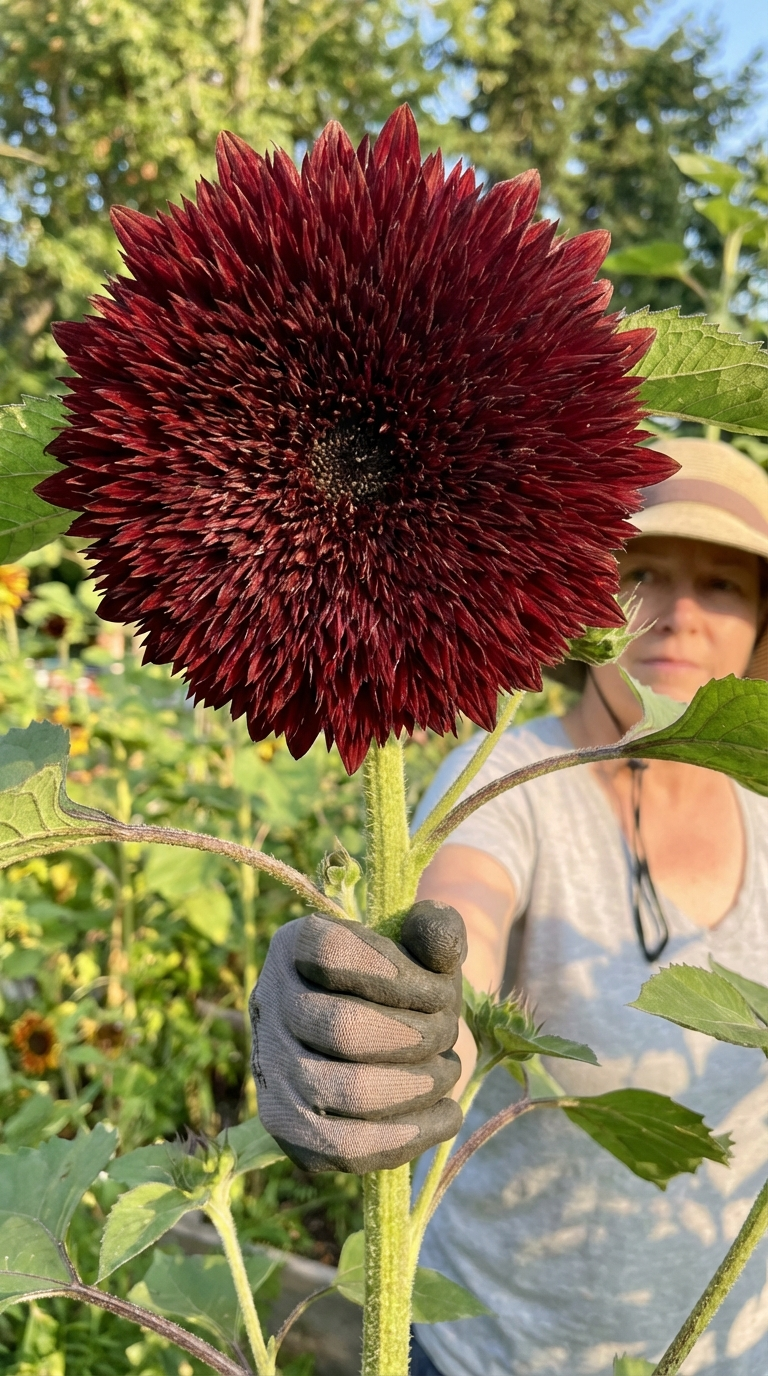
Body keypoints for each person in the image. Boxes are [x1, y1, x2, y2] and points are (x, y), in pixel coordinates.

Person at [252, 438, 768, 1375]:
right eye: (643, 572)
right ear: (580, 595)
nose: (679, 615)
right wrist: (386, 1024)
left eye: (723, 584)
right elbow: (459, 935)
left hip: (731, 1345)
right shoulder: (507, 781)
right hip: (495, 1349)